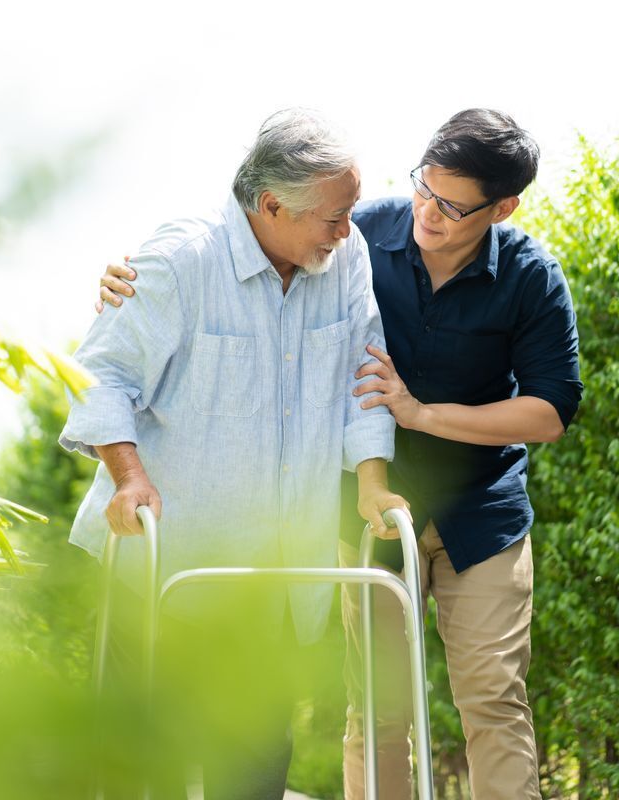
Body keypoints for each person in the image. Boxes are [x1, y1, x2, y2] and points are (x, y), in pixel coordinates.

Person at [98, 108, 582, 800]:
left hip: (479, 514)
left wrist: (413, 424)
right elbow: (155, 330)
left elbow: (548, 409)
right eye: (424, 187)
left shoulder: (525, 275)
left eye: (453, 205)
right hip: (357, 520)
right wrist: (129, 286)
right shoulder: (354, 236)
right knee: (378, 709)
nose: (428, 212)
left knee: (493, 700)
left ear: (501, 207)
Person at [63, 107, 408, 800]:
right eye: (334, 218)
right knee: (149, 763)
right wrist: (127, 478)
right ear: (273, 205)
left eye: (351, 215)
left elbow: (363, 379)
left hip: (274, 581)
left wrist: (371, 483)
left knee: (253, 768)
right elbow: (102, 376)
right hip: (166, 566)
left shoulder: (346, 262)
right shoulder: (179, 261)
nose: (347, 232)